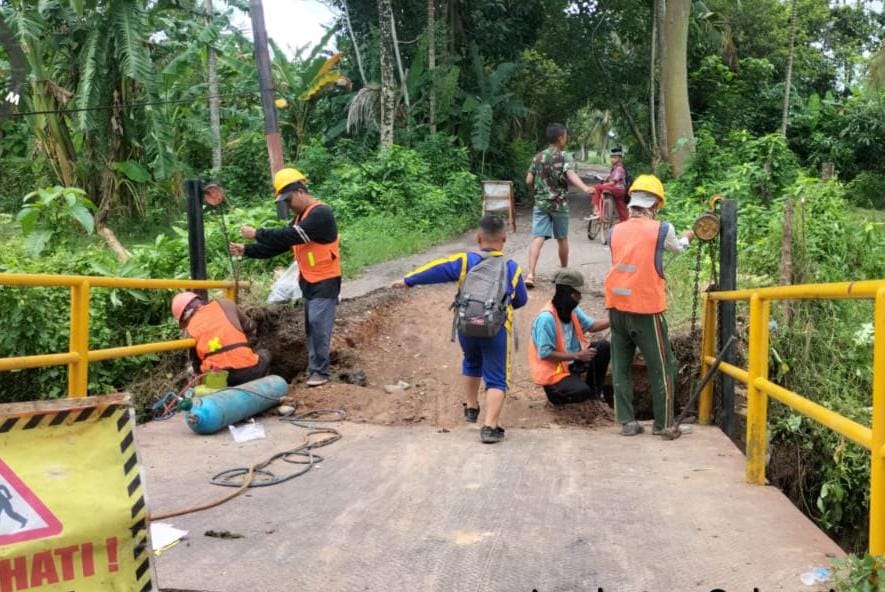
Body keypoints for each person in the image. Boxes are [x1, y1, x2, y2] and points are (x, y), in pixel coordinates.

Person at [392, 215, 528, 444]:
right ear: (504, 238)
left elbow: (437, 269)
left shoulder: (466, 260)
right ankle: (489, 427)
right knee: (497, 377)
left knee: (471, 362)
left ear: (478, 238)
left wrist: (408, 280)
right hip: (496, 329)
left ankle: (472, 406)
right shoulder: (512, 268)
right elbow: (521, 300)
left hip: (466, 325)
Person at [229, 167, 341, 387]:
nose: (289, 206)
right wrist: (247, 250)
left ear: (300, 192)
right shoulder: (301, 218)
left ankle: (321, 372)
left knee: (319, 324)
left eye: (289, 201)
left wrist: (257, 233)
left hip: (326, 280)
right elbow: (280, 244)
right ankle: (315, 369)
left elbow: (291, 235)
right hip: (310, 281)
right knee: (311, 327)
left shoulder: (320, 213)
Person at [603, 175, 695, 436]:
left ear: (632, 203)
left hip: (617, 307)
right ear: (655, 206)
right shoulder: (662, 229)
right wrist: (689, 236)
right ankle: (664, 424)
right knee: (663, 366)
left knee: (620, 365)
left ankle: (626, 422)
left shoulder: (614, 231)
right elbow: (677, 249)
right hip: (646, 309)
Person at [525, 123, 594, 288]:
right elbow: (570, 173)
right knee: (562, 239)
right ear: (560, 138)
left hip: (541, 204)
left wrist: (539, 189)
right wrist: (585, 188)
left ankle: (530, 274)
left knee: (538, 238)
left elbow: (528, 180)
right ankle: (563, 273)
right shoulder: (565, 156)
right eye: (565, 136)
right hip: (559, 204)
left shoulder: (538, 157)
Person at [529, 268, 611, 406]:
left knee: (603, 347)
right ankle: (557, 398)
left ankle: (593, 396)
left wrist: (614, 319)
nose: (579, 298)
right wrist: (578, 355)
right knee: (581, 392)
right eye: (576, 295)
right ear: (564, 293)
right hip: (554, 374)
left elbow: (592, 326)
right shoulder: (546, 319)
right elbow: (545, 354)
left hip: (571, 364)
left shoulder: (572, 310)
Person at [170, 292, 271, 387]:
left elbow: (196, 364)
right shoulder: (226, 304)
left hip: (218, 380)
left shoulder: (190, 330)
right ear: (199, 301)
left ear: (184, 319)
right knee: (265, 353)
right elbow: (251, 327)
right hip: (250, 371)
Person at [591, 146, 628, 223]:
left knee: (597, 188)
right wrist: (604, 180)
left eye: (615, 157)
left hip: (618, 189)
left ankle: (597, 210)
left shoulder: (619, 169)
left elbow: (613, 182)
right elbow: (610, 179)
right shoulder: (614, 168)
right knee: (621, 209)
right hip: (620, 191)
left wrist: (604, 184)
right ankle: (625, 223)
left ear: (620, 159)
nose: (612, 159)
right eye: (612, 157)